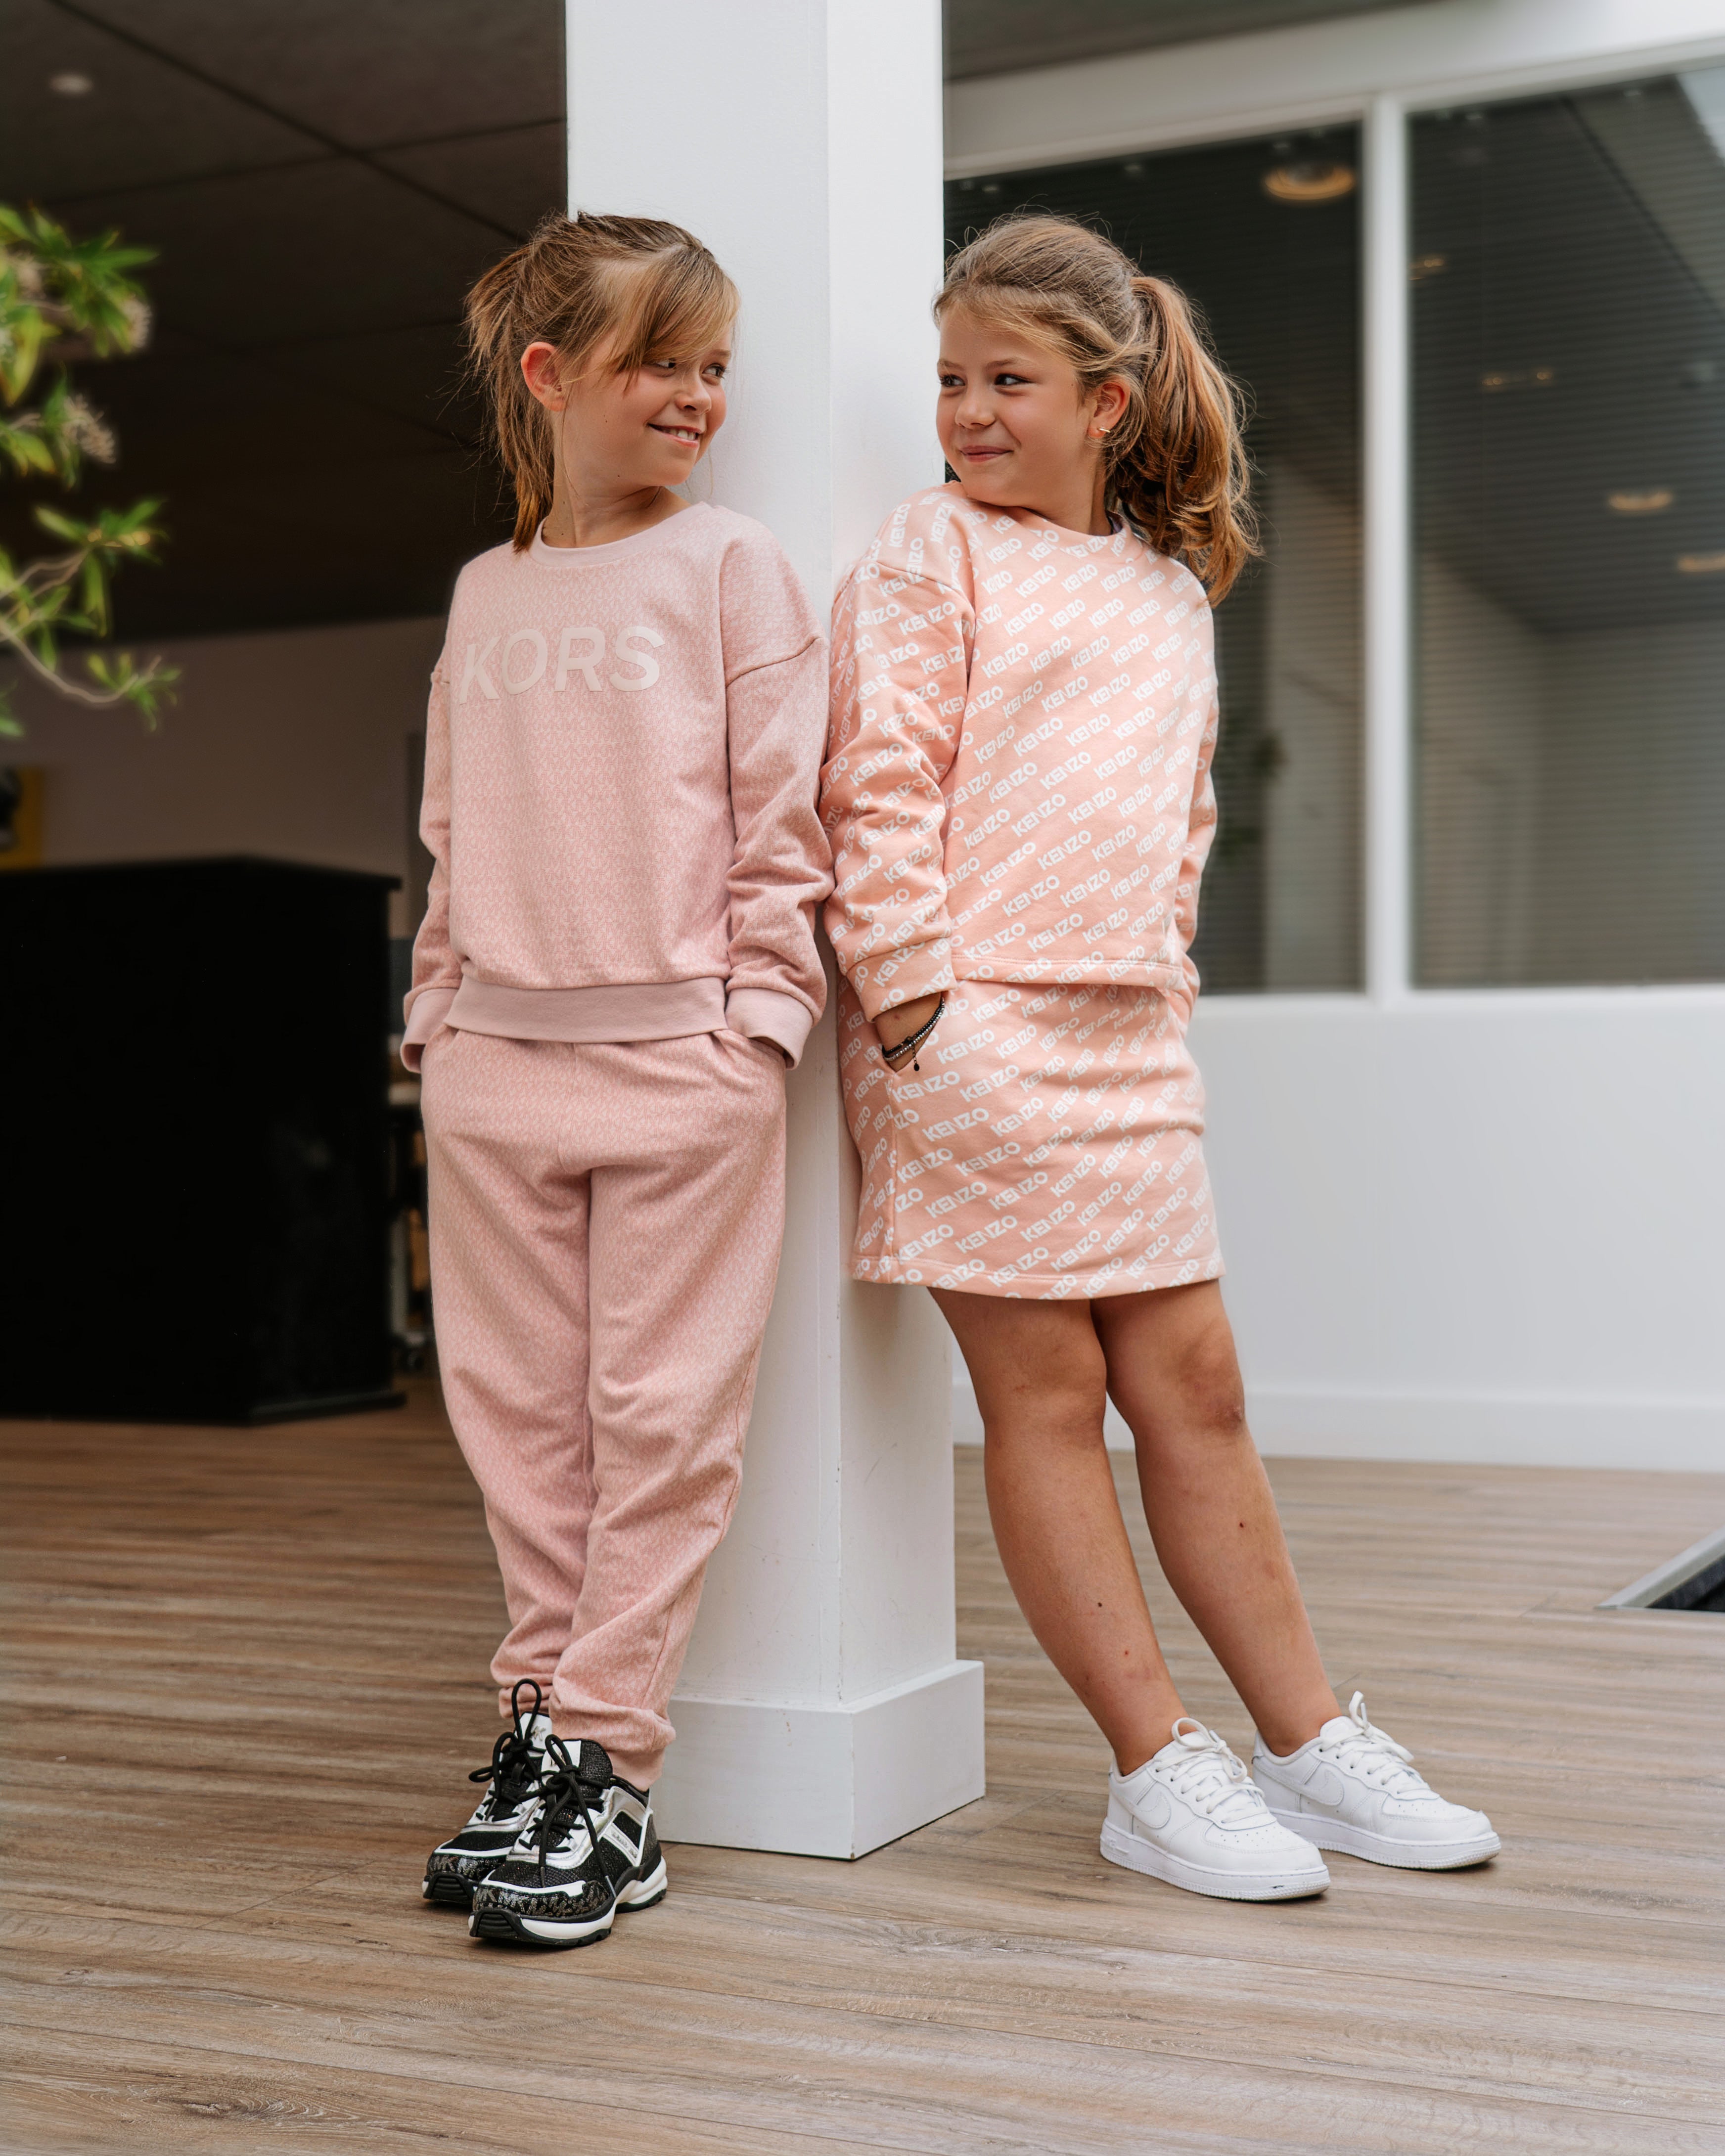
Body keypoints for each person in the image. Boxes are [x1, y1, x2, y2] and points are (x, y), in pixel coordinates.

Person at [819, 212, 1497, 1903]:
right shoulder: (929, 549)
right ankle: (1152, 1768)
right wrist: (914, 1008)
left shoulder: (1168, 591)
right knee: (1047, 1397)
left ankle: (1308, 1744)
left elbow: (1179, 825)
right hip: (973, 1027)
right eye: (952, 380)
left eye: (1008, 381)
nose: (969, 412)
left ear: (1106, 402)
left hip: (1126, 1036)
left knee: (1200, 1392)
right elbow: (877, 782)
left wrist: (1164, 996)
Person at [405, 212, 831, 1947]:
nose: (696, 396)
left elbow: (782, 821)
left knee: (660, 1430)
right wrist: (437, 1022)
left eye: (714, 366)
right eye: (659, 360)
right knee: (520, 1436)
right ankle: (537, 1747)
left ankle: (608, 1775)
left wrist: (758, 1031)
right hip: (494, 1073)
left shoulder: (733, 568)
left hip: (684, 1073)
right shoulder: (487, 589)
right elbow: (452, 829)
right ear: (549, 374)